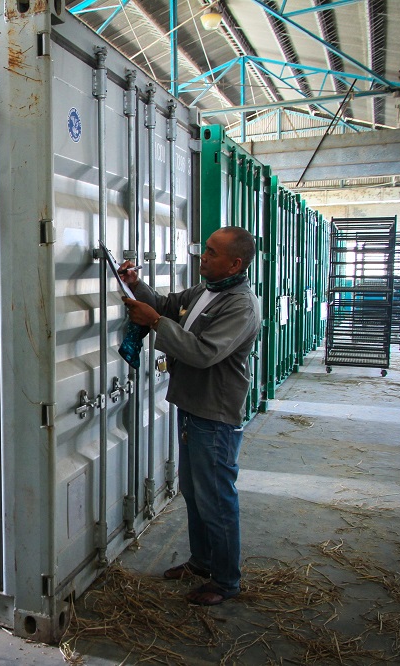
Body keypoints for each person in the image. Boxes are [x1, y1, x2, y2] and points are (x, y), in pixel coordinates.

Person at [119, 226, 261, 606]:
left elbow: (203, 352)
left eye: (212, 253)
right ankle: (203, 562)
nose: (204, 257)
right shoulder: (206, 291)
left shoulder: (240, 305)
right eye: (206, 250)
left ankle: (226, 580)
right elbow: (166, 306)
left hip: (215, 415)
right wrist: (138, 285)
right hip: (193, 407)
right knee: (195, 494)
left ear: (236, 262)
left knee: (216, 500)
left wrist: (153, 323)